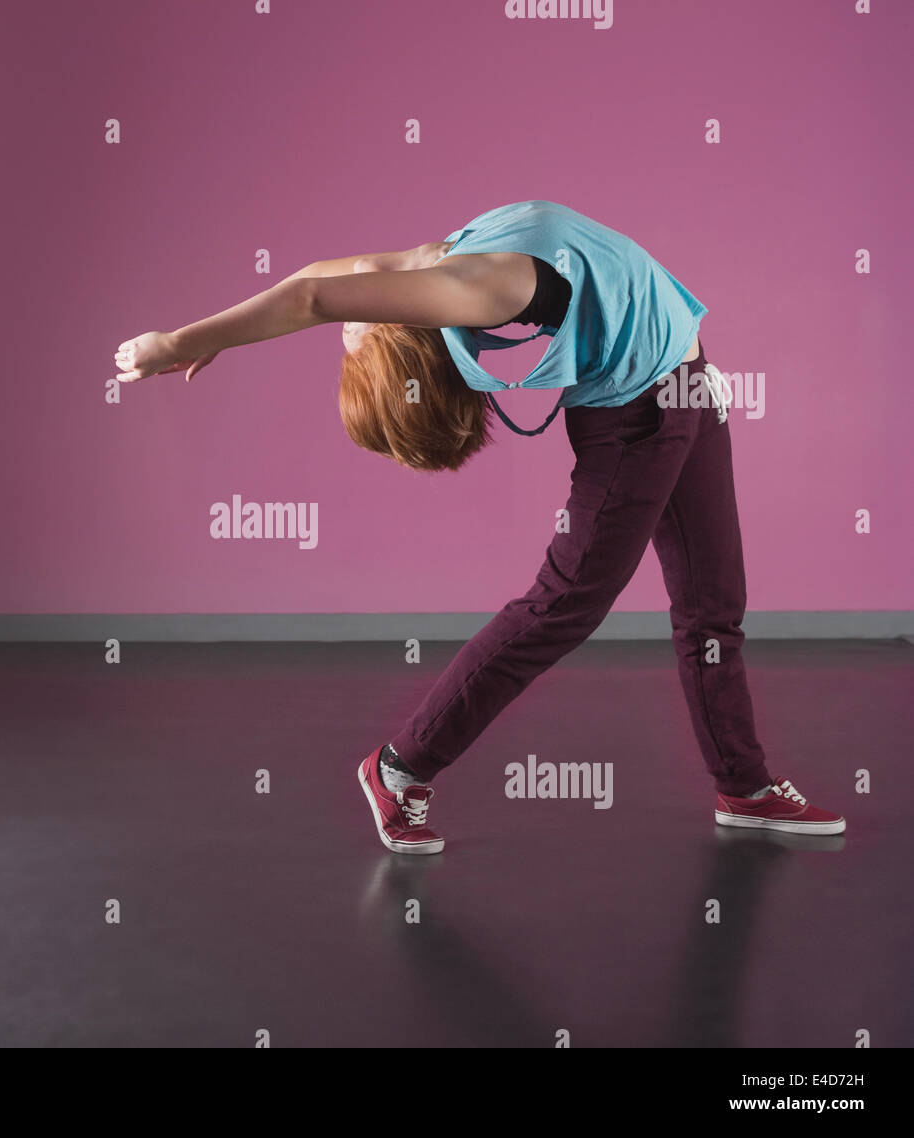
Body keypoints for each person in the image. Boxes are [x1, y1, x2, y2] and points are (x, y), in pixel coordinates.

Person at [114, 200, 846, 855]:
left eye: (351, 338)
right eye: (352, 336)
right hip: (636, 416)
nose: (349, 324)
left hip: (689, 384)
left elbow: (312, 289)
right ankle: (398, 767)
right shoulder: (471, 283)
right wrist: (196, 337)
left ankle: (744, 788)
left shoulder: (453, 270)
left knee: (714, 601)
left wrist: (184, 340)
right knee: (564, 604)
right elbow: (317, 295)